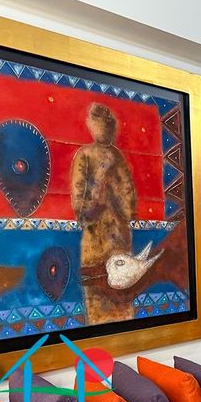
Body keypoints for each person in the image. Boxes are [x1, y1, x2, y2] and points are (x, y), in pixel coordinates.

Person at [71, 103, 137, 323]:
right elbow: (82, 207)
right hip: (102, 237)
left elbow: (127, 203)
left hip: (111, 238)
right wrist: (101, 187)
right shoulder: (90, 155)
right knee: (105, 289)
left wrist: (107, 191)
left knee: (116, 289)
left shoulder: (103, 156)